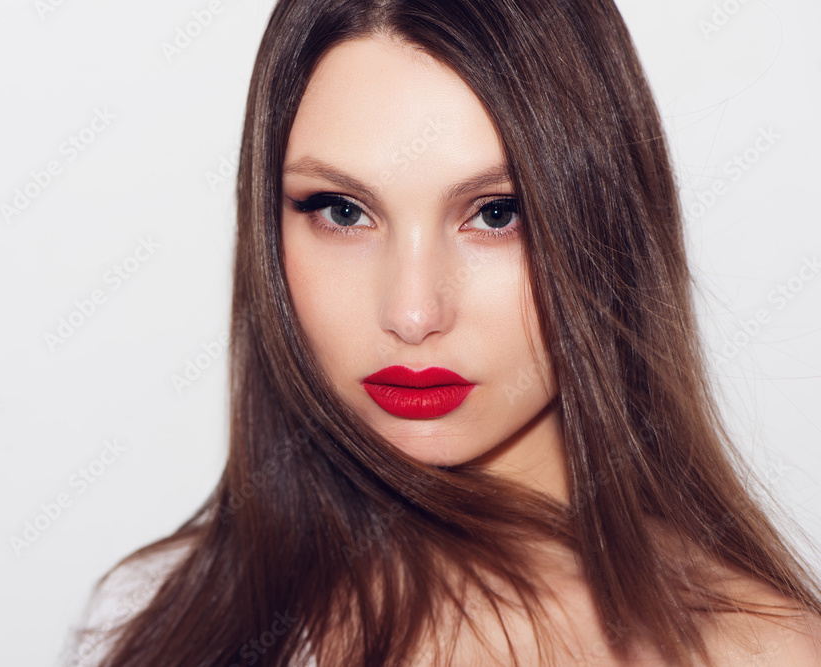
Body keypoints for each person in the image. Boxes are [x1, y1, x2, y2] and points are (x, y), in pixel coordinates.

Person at [61, 0, 821, 664]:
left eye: (495, 213)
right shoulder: (157, 620)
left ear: (606, 224)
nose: (413, 311)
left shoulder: (757, 651)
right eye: (342, 210)